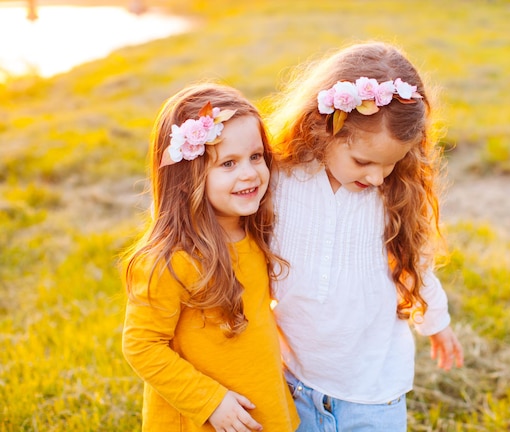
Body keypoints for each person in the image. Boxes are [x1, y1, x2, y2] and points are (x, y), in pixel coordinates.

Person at [266, 41, 464, 431]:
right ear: (324, 129)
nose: (376, 177)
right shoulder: (280, 179)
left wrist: (436, 322)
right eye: (363, 161)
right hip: (292, 380)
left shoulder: (395, 195)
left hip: (373, 393)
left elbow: (416, 265)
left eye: (390, 164)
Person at [121, 82, 299, 432]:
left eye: (255, 157)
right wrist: (209, 400)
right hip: (208, 418)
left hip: (263, 405)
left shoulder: (255, 232)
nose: (249, 173)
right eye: (228, 163)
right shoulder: (172, 260)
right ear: (188, 177)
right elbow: (142, 346)